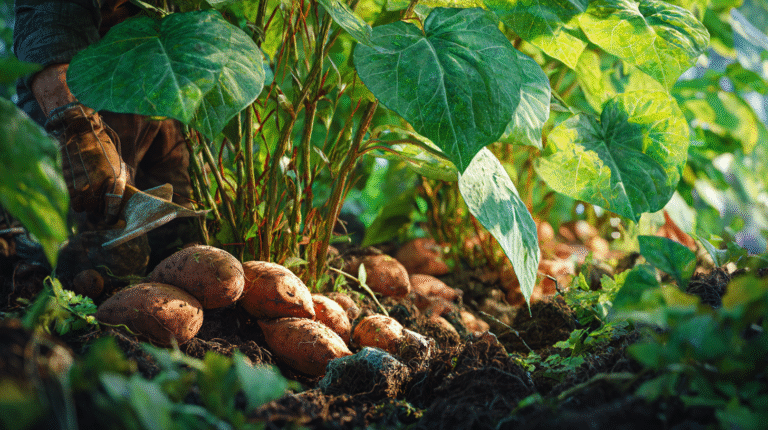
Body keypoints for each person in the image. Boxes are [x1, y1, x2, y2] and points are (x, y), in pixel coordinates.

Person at [13, 0, 201, 286]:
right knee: (68, 262)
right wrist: (75, 126)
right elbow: (46, 24)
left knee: (176, 242)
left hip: (152, 87)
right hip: (72, 88)